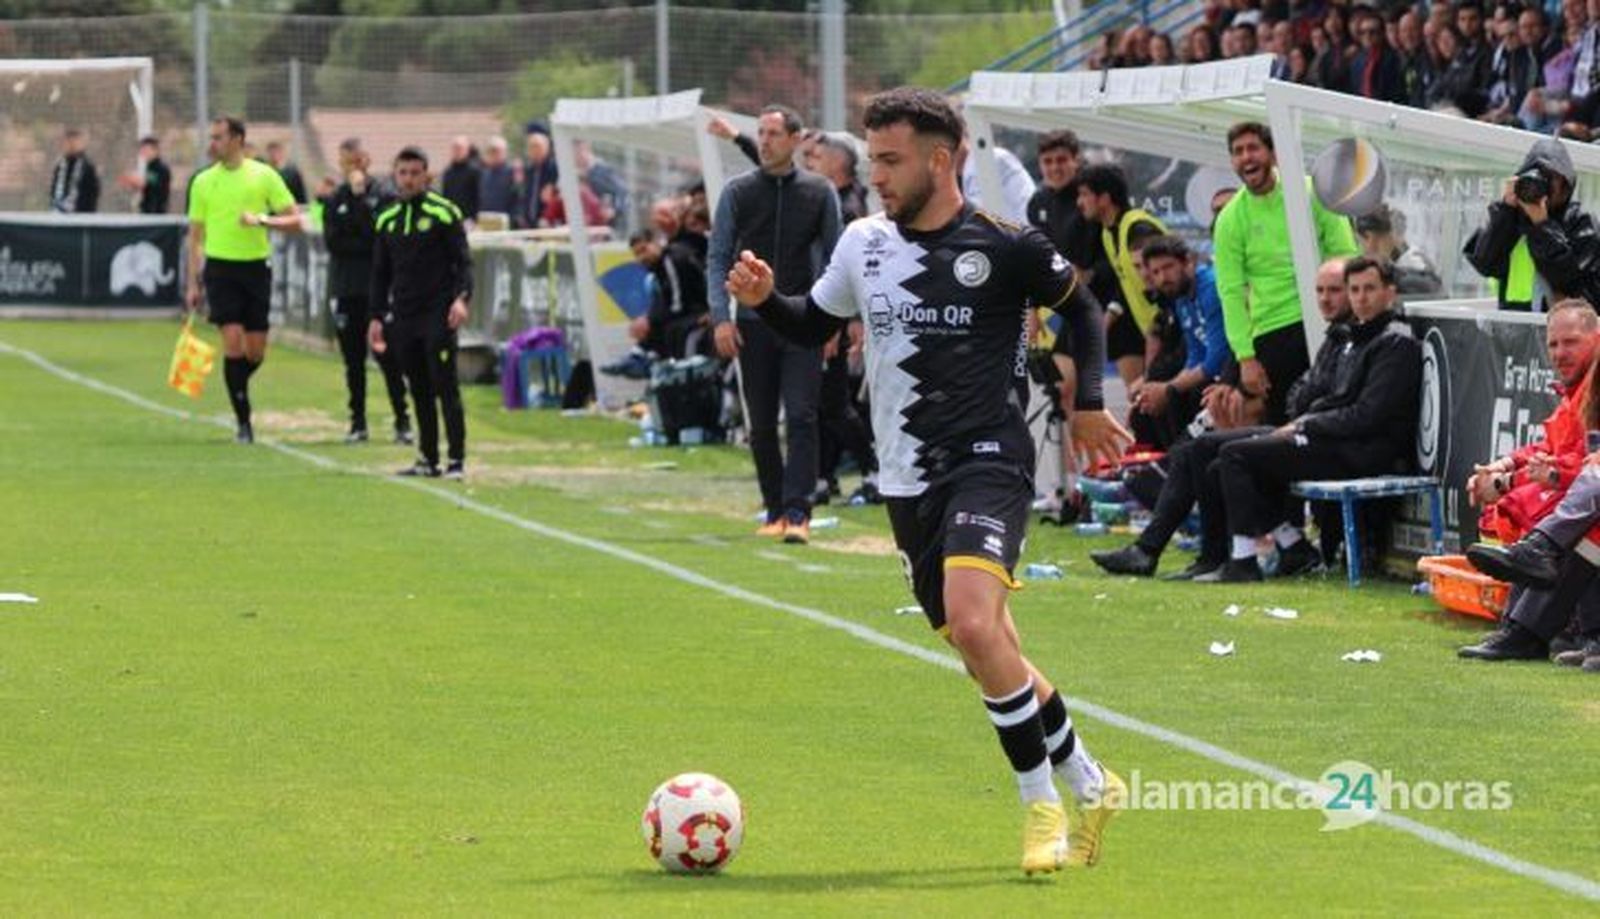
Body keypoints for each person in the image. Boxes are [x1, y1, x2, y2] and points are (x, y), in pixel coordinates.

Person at [724, 86, 1131, 877]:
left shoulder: (1007, 244)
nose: (873, 174)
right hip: (905, 476)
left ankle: (1039, 804)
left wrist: (1086, 404)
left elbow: (1082, 312)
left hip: (988, 459)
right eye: (871, 157)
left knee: (978, 627)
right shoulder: (864, 243)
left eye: (889, 159)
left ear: (941, 160)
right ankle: (1092, 780)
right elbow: (815, 322)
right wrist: (765, 299)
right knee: (987, 648)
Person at [1091, 257, 1351, 580]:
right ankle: (1202, 553)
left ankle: (1243, 559)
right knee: (1198, 449)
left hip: (1318, 436)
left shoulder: (1363, 339)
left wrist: (1289, 413)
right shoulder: (1331, 334)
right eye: (1320, 291)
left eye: (1336, 290)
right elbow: (1300, 384)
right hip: (1296, 425)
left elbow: (1349, 404)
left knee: (1228, 455)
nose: (1326, 299)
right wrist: (1232, 384)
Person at [1213, 256, 1422, 581]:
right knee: (1223, 458)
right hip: (1334, 438)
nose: (1361, 298)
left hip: (1365, 451)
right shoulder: (1348, 336)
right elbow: (1313, 390)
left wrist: (1306, 423)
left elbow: (1367, 415)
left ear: (1390, 293)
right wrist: (1308, 416)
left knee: (1235, 454)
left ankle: (1245, 559)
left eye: (1369, 289)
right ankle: (1288, 544)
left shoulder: (1396, 342)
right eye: (1354, 290)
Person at [706, 104, 842, 544]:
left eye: (773, 133)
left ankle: (799, 512)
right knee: (762, 422)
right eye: (760, 133)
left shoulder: (820, 192)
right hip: (751, 321)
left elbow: (838, 260)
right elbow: (718, 256)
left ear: (796, 139)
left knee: (802, 415)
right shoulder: (738, 191)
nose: (764, 141)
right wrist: (720, 318)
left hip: (802, 319)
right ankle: (773, 508)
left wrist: (835, 320)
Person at [1212, 121, 1359, 426]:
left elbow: (1344, 254)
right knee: (1282, 423)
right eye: (1238, 152)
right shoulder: (1229, 219)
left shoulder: (1313, 192)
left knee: (1330, 414)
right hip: (1272, 333)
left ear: (1274, 154)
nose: (1246, 157)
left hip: (1326, 322)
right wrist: (1245, 357)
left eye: (1253, 148)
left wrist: (1344, 310)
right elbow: (1230, 291)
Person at [185, 116, 301, 444]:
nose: (213, 143)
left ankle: (236, 383)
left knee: (255, 351)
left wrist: (261, 220)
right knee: (232, 340)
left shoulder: (263, 175)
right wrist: (193, 283)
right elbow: (194, 236)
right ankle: (243, 422)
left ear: (237, 139)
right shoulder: (203, 181)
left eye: (219, 137)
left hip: (255, 269)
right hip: (220, 270)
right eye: (212, 137)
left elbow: (295, 219)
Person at [369, 147, 473, 480]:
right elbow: (380, 274)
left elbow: (463, 262)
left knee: (445, 385)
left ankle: (456, 459)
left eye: (416, 173)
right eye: (403, 173)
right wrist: (376, 317)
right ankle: (427, 458)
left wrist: (462, 299)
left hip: (438, 312)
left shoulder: (444, 213)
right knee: (419, 388)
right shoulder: (387, 219)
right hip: (404, 314)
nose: (409, 179)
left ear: (427, 176)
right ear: (394, 175)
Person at [1027, 129, 1110, 519]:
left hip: (1092, 308)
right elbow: (1034, 262)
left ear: (1075, 160)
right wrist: (1030, 309)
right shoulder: (1038, 203)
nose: (1056, 168)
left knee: (1082, 395)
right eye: (1048, 162)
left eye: (1062, 160)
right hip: (1056, 308)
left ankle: (1092, 486)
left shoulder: (1090, 194)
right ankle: (1069, 486)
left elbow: (1098, 257)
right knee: (1061, 393)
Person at [319, 137, 411, 445]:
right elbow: (334, 243)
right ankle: (357, 423)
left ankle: (403, 420)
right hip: (346, 289)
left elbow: (378, 238)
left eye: (356, 161)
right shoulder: (334, 200)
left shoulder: (384, 195)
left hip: (378, 291)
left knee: (388, 357)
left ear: (367, 161)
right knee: (353, 361)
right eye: (346, 162)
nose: (352, 168)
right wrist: (357, 232)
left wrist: (359, 205)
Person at [1464, 137, 1600, 311]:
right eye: (1536, 175)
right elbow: (1485, 264)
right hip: (1513, 322)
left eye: (1551, 177)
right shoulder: (1511, 216)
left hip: (1561, 328)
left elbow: (1566, 276)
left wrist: (1541, 225)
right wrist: (1506, 210)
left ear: (1565, 183)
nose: (1541, 185)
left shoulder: (1580, 221)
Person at [1129, 235, 1230, 449]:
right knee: (1147, 409)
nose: (1163, 277)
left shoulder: (1211, 287)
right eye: (1156, 272)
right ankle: (1161, 469)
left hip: (1231, 374)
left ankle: (1179, 465)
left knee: (1180, 397)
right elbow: (1194, 355)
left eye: (1168, 267)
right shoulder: (1180, 296)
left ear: (1187, 262)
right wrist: (1156, 390)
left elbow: (1215, 360)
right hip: (1211, 375)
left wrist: (1167, 389)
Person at [1076, 163, 1168, 393]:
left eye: (1085, 194)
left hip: (1171, 332)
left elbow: (1169, 284)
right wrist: (1110, 315)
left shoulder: (1139, 229)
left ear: (1104, 198)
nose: (1080, 202)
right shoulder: (1109, 234)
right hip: (1153, 332)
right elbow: (1125, 282)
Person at [603, 230, 712, 378]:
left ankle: (645, 357)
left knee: (670, 327)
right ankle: (643, 356)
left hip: (701, 311)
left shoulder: (671, 260)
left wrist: (649, 321)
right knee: (661, 324)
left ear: (656, 243)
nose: (641, 258)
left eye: (644, 250)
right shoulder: (658, 267)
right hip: (691, 311)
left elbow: (677, 306)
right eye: (636, 254)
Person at [1355, 204, 1441, 294]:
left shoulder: (1411, 267)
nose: (1362, 250)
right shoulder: (1407, 260)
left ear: (1370, 237)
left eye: (1360, 242)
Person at [516, 123, 559, 230]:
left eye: (537, 146)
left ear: (547, 147)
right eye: (531, 147)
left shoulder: (555, 168)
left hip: (548, 223)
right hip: (529, 223)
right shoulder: (529, 170)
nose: (534, 151)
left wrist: (554, 190)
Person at [49, 127, 100, 214]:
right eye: (68, 142)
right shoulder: (60, 166)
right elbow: (55, 191)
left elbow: (92, 194)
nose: (71, 145)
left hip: (81, 216)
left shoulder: (87, 167)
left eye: (74, 141)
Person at [117, 135, 170, 214]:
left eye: (146, 149)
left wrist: (132, 179)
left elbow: (149, 184)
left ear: (155, 150)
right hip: (148, 210)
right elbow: (147, 186)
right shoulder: (150, 167)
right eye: (142, 149)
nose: (142, 152)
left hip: (155, 213)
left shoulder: (160, 168)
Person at [439, 135, 481, 223]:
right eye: (454, 148)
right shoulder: (448, 172)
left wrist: (475, 218)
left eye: (460, 148)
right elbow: (445, 196)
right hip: (452, 218)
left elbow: (479, 196)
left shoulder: (475, 171)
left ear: (467, 150)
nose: (457, 151)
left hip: (469, 220)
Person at [478, 136, 517, 218]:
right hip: (487, 219)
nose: (494, 154)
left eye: (497, 151)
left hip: (506, 220)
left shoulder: (512, 172)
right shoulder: (484, 173)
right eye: (491, 151)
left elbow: (516, 199)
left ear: (505, 152)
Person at [263, 140, 308, 205]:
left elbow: (300, 194)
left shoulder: (292, 173)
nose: (274, 155)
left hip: (288, 207)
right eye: (271, 153)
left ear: (282, 153)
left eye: (276, 152)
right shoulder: (265, 172)